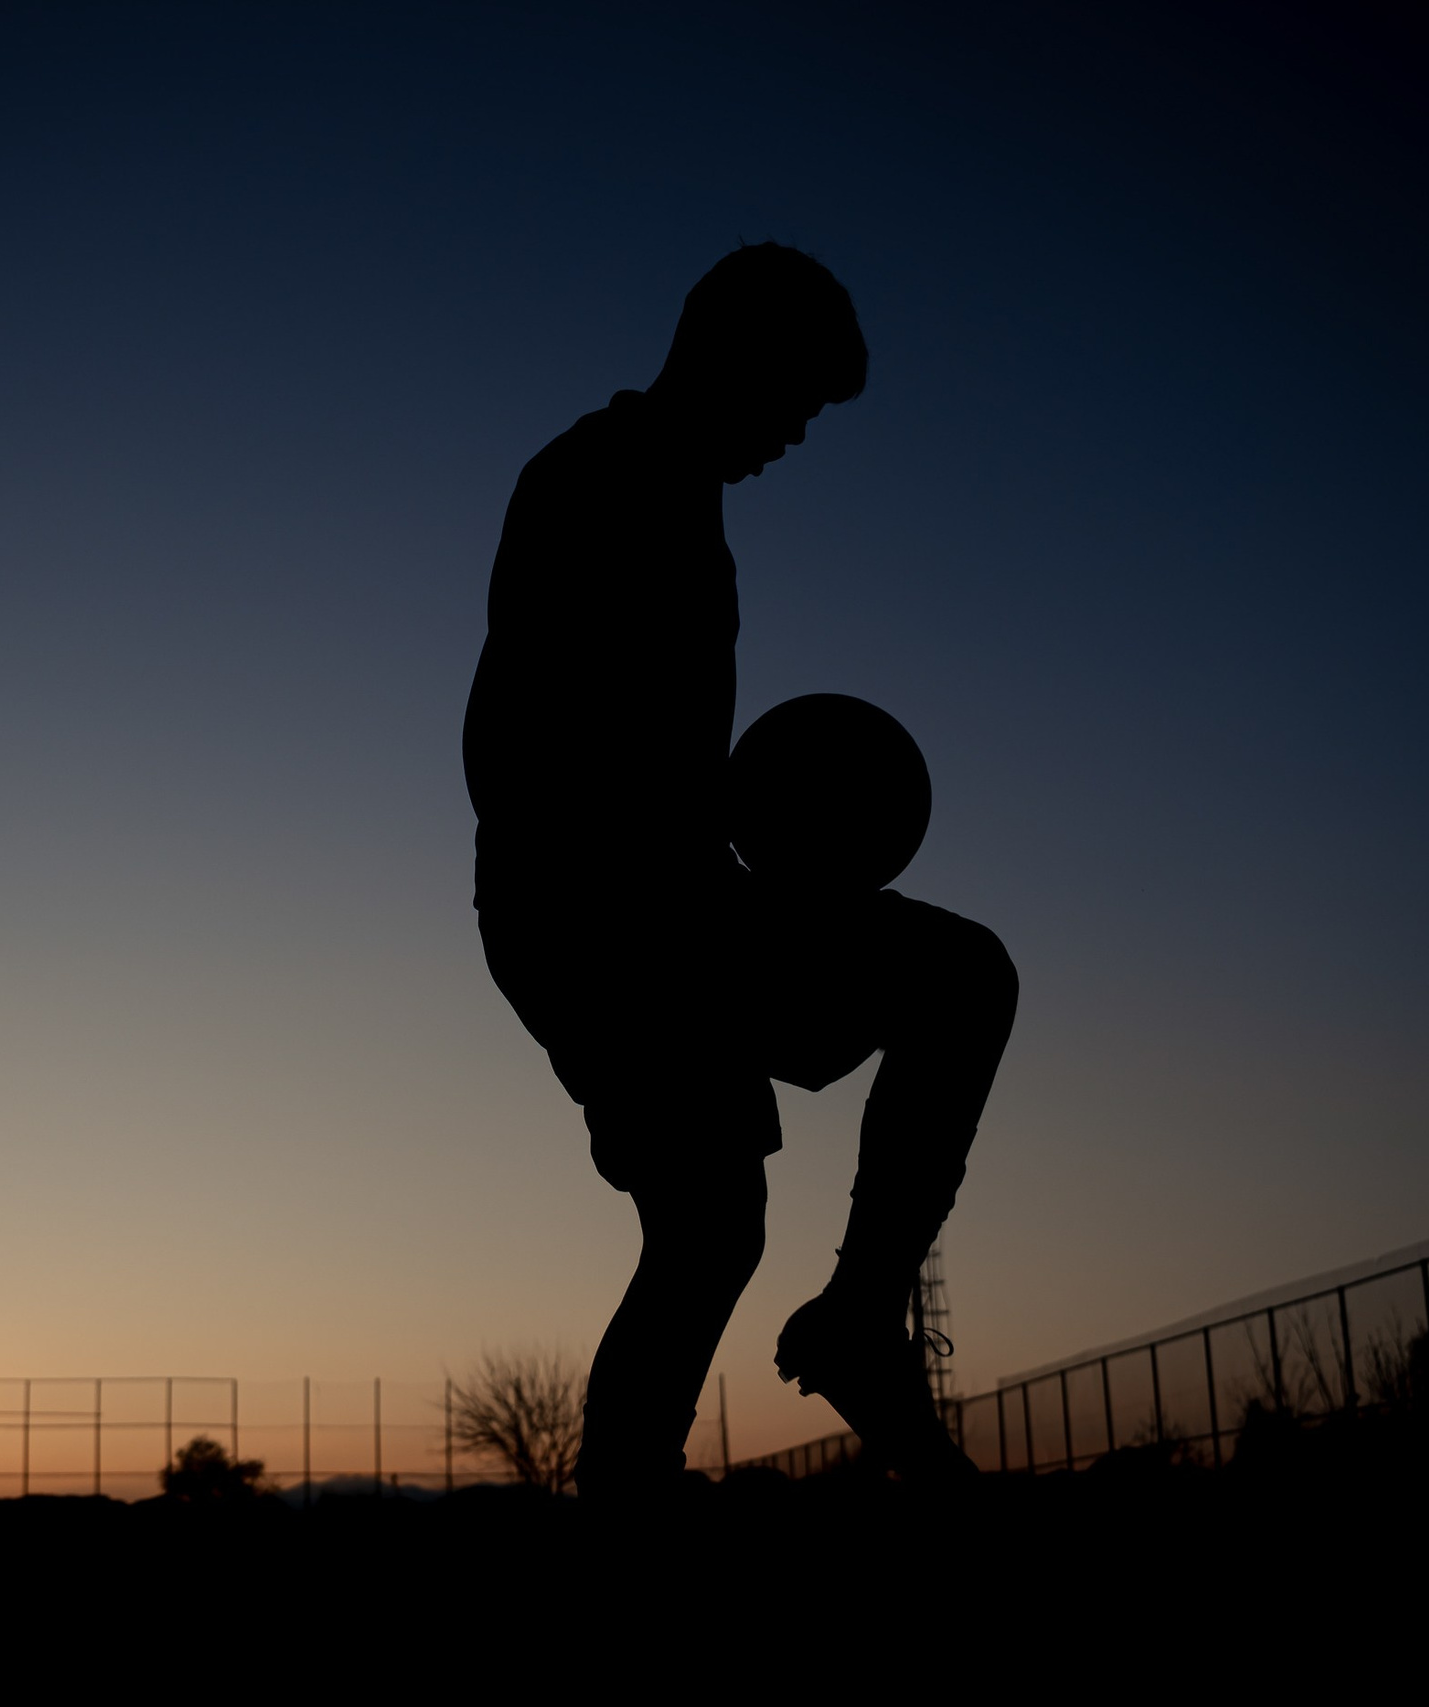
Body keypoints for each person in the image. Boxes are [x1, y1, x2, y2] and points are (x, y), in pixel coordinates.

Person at [462, 243, 1019, 1498]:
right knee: (944, 992)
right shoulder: (601, 481)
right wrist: (725, 824)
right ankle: (850, 1333)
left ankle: (852, 1323)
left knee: (715, 1225)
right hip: (597, 913)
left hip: (653, 896)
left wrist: (747, 823)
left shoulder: (672, 494)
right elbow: (512, 740)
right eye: (798, 400)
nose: (797, 434)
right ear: (735, 357)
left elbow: (636, 747)